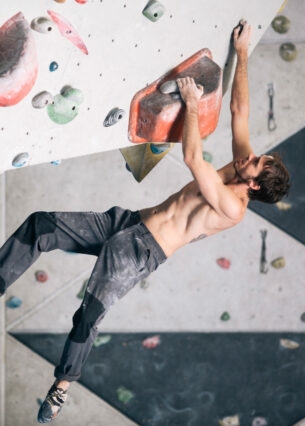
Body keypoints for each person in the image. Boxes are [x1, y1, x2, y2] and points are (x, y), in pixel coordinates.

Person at [0, 20, 289, 423]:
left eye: (254, 163)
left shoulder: (233, 206)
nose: (247, 157)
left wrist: (191, 103)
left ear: (254, 186)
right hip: (128, 223)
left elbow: (193, 159)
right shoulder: (243, 169)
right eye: (256, 157)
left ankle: (62, 386)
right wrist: (241, 54)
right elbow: (240, 110)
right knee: (40, 226)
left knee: (89, 313)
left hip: (140, 251)